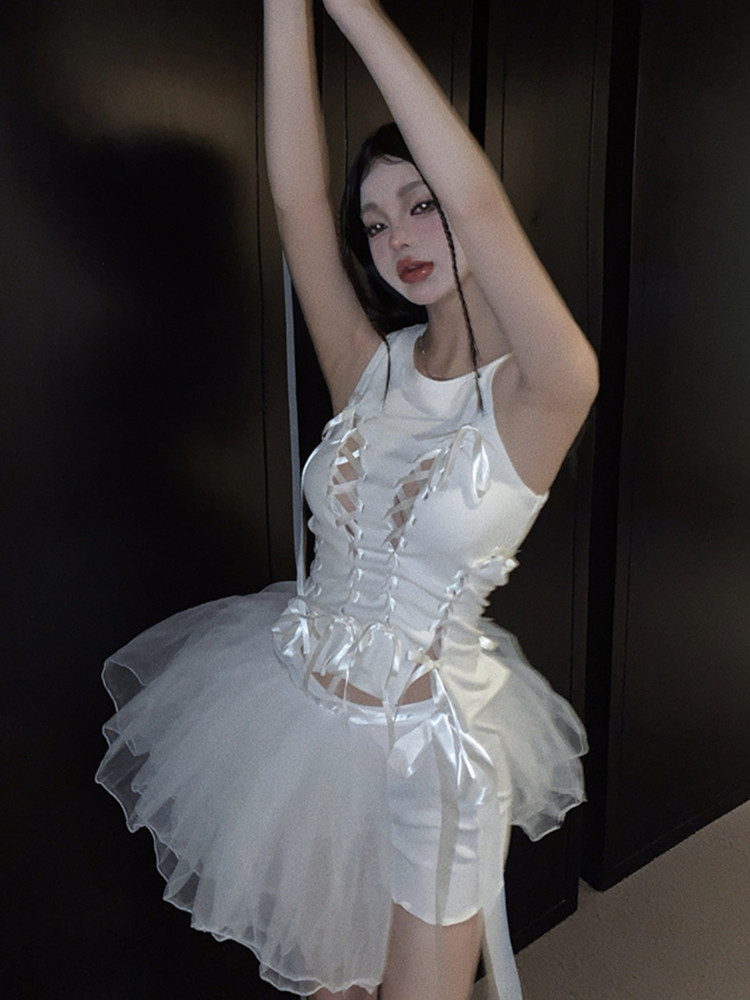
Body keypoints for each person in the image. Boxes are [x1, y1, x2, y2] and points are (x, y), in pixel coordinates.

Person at [96, 2, 599, 999]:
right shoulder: (369, 365)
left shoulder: (546, 387)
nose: (397, 237)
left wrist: (355, 10)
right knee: (328, 991)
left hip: (429, 761)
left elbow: (481, 204)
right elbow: (294, 204)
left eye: (421, 203)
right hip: (303, 730)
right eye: (374, 222)